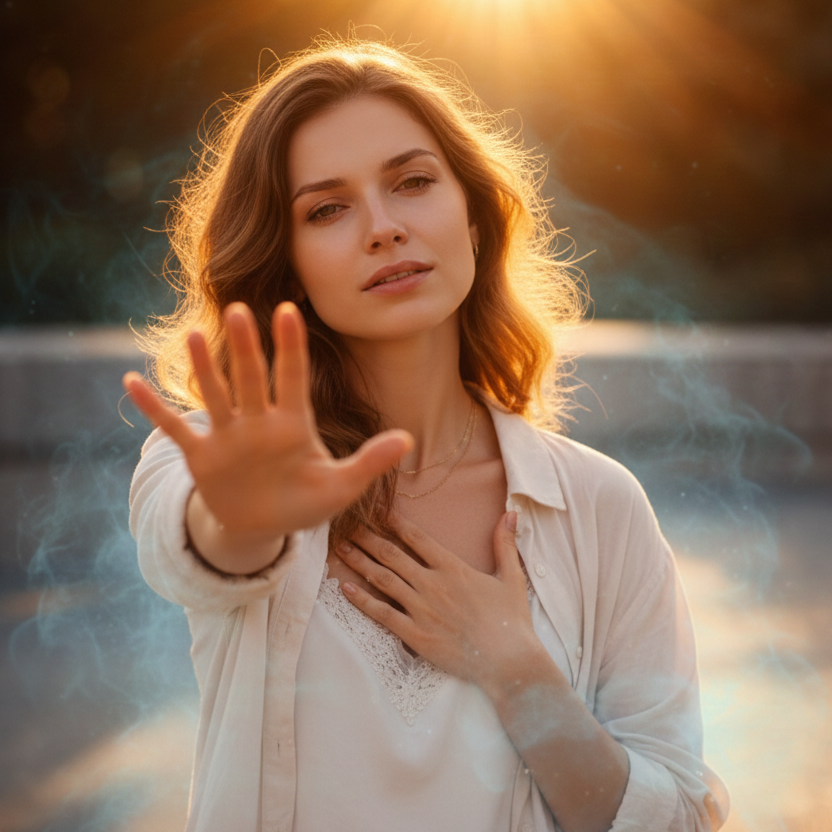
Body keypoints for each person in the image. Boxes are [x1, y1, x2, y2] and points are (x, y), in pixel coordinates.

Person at [124, 36, 729, 832]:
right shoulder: (218, 457)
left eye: (412, 182)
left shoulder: (599, 506)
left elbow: (679, 818)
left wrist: (517, 671)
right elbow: (201, 547)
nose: (383, 227)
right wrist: (243, 514)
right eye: (327, 208)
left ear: (473, 218)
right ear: (287, 262)